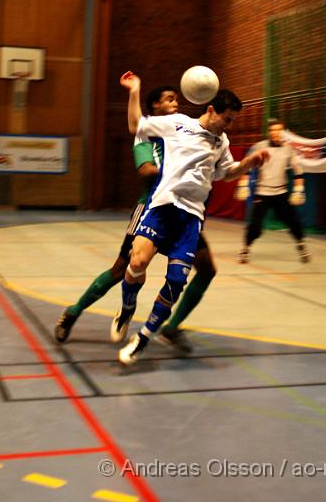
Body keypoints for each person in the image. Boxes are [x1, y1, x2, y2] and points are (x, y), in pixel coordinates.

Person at [114, 71, 269, 365]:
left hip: (191, 218)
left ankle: (142, 339)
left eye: (232, 120)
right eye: (227, 118)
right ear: (211, 110)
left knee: (175, 281)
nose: (229, 125)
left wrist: (248, 163)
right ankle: (127, 308)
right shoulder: (178, 124)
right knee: (136, 263)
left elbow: (226, 173)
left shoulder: (221, 141)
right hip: (162, 207)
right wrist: (135, 89)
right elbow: (136, 125)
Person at [54, 84, 217, 354]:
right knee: (121, 269)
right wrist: (182, 173)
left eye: (176, 99)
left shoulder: (186, 132)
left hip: (185, 212)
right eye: (168, 99)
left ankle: (171, 327)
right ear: (154, 107)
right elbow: (146, 170)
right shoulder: (148, 134)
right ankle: (72, 312)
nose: (175, 103)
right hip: (153, 208)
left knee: (207, 268)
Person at [238, 118, 310, 264]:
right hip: (262, 193)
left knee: (293, 221)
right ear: (268, 132)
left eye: (278, 130)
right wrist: (243, 185)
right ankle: (245, 249)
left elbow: (298, 171)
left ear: (282, 132)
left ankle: (301, 246)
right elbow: (247, 166)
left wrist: (298, 189)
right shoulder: (259, 147)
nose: (275, 133)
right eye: (272, 130)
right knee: (255, 225)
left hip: (281, 193)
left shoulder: (289, 149)